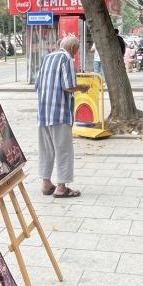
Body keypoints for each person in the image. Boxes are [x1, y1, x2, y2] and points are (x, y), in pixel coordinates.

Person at [35, 35, 89, 198]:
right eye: (76, 51)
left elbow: (37, 84)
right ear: (73, 48)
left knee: (46, 149)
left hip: (43, 112)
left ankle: (46, 183)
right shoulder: (66, 59)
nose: (75, 54)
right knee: (63, 149)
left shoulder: (47, 58)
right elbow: (68, 86)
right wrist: (82, 87)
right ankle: (61, 187)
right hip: (59, 112)